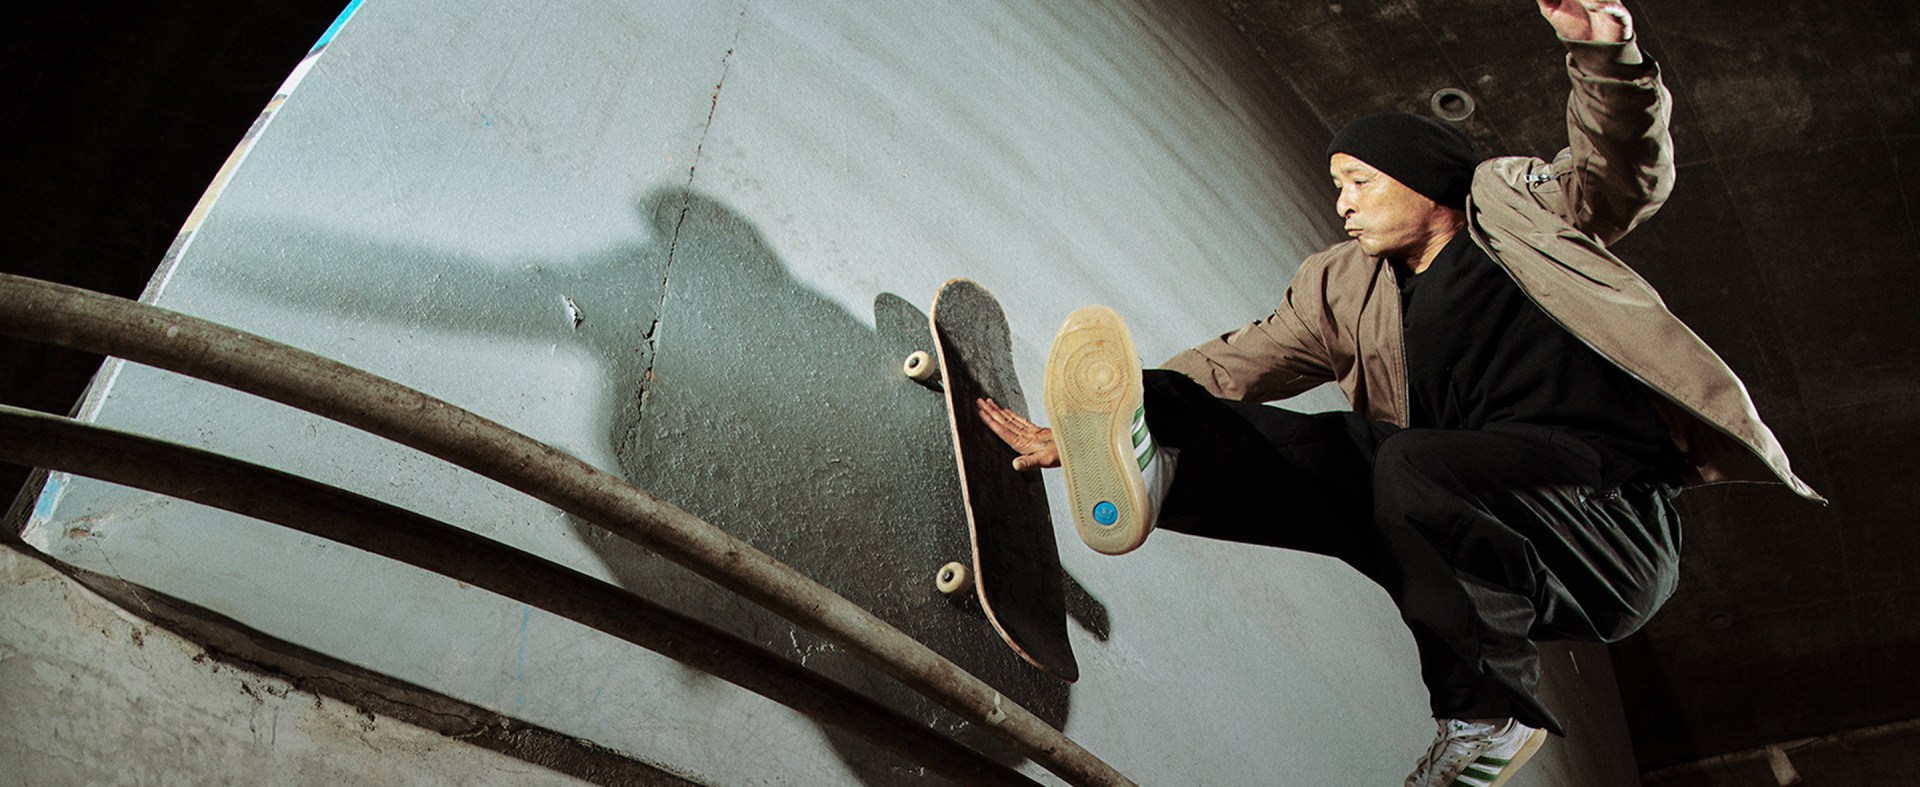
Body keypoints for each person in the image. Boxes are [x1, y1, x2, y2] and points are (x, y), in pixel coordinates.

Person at [978, 1, 1823, 784]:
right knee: (1358, 454)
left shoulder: (1519, 213)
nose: (1342, 204)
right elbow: (1241, 362)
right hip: (1487, 528)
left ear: (1422, 180)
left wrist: (1604, 51)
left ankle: (1487, 715)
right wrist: (1119, 418)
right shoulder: (1342, 287)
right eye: (1337, 186)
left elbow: (1624, 170)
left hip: (1607, 521)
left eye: (1359, 182)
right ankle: (1165, 475)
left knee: (1410, 464)